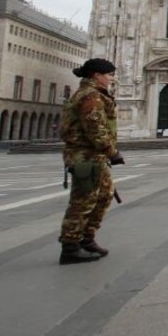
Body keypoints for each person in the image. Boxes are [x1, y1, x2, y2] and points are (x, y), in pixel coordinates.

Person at [58, 57, 122, 265]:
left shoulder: (95, 94)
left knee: (104, 195)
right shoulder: (90, 96)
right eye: (109, 74)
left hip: (94, 156)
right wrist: (112, 152)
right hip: (86, 156)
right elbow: (95, 128)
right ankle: (70, 246)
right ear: (97, 75)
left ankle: (87, 239)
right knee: (83, 201)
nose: (112, 79)